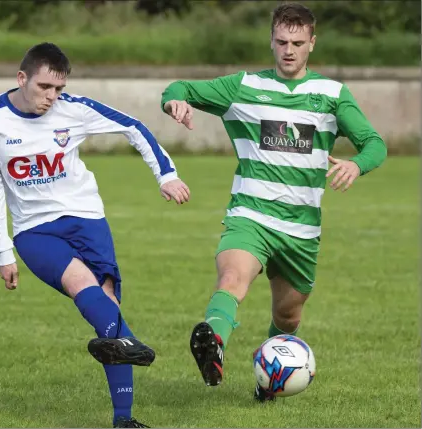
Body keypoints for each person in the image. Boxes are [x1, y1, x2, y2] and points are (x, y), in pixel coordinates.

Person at [161, 2, 387, 400]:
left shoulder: (331, 94)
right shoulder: (243, 86)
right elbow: (180, 88)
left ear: (312, 43)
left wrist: (356, 166)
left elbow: (375, 144)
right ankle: (212, 343)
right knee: (232, 279)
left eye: (297, 42)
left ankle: (268, 380)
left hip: (301, 230)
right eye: (281, 41)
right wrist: (174, 102)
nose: (288, 50)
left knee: (288, 316)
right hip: (251, 216)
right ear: (271, 40)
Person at [0, 42, 190, 428]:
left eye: (58, 89)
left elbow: (132, 127)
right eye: (43, 88)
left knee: (107, 311)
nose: (51, 98)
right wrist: (3, 252)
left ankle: (123, 418)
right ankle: (130, 346)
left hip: (87, 219)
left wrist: (166, 175)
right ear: (22, 78)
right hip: (33, 231)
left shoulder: (73, 109)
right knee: (80, 285)